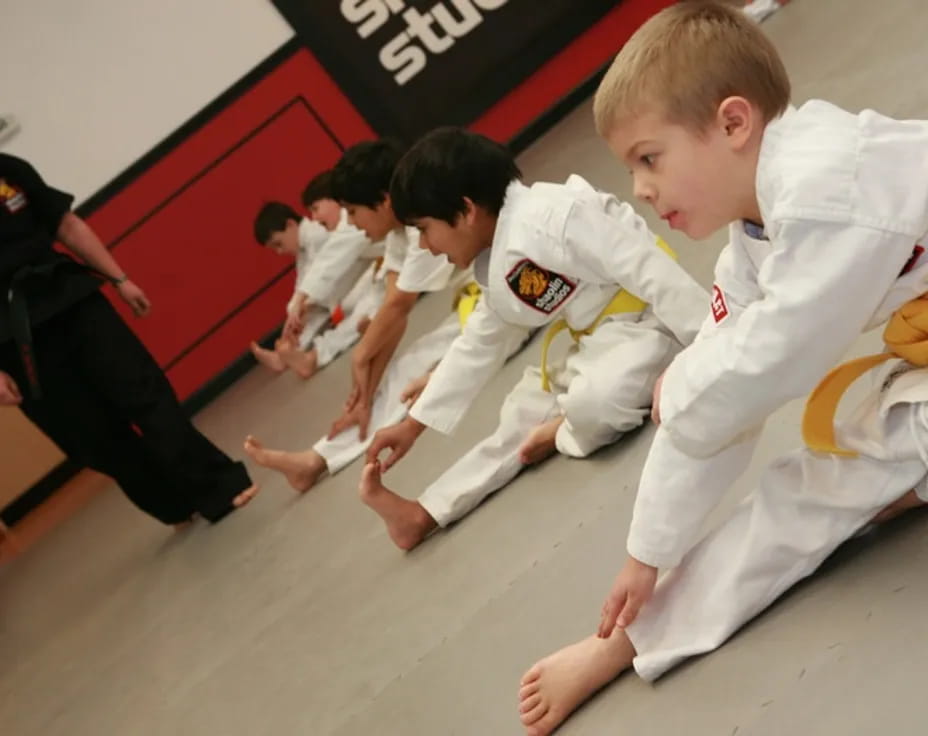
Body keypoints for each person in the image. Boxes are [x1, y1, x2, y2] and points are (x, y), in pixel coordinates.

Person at [518, 4, 928, 734]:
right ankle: (638, 632)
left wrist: (683, 387)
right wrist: (647, 554)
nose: (640, 190)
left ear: (733, 124)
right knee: (833, 466)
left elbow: (773, 360)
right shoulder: (750, 242)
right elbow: (716, 396)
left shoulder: (824, 179)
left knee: (860, 461)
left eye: (650, 158)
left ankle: (902, 476)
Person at [360, 127, 707, 551]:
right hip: (596, 341)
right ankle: (426, 511)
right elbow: (480, 342)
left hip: (651, 324)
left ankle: (564, 428)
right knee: (519, 412)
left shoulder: (555, 217)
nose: (426, 246)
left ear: (466, 210)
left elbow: (648, 269)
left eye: (425, 229)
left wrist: (712, 341)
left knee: (594, 402)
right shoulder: (500, 253)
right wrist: (412, 427)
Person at [0, 153, 257, 526]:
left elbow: (66, 225)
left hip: (70, 297)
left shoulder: (8, 169)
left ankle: (218, 485)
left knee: (144, 392)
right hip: (13, 339)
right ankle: (171, 503)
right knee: (92, 438)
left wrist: (119, 279)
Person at [243, 139, 467, 492]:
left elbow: (398, 306)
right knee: (402, 368)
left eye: (352, 210)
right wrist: (364, 394)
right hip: (474, 307)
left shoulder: (421, 220)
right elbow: (395, 313)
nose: (350, 223)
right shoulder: (398, 233)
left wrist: (361, 358)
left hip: (506, 298)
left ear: (383, 199)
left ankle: (316, 460)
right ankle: (317, 457)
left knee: (413, 372)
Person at [250, 174, 381, 378]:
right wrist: (300, 303)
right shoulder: (334, 229)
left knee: (366, 306)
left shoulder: (331, 229)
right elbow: (323, 270)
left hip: (379, 271)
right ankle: (303, 352)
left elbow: (329, 264)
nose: (315, 218)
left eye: (316, 208)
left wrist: (301, 301)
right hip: (374, 271)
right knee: (357, 308)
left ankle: (312, 353)